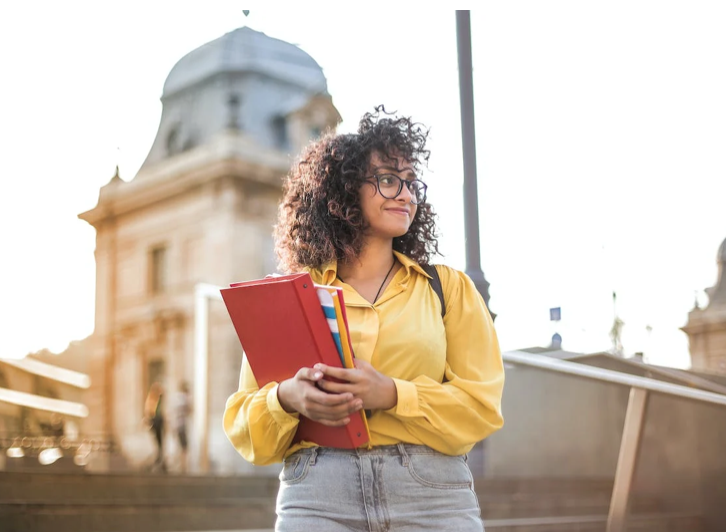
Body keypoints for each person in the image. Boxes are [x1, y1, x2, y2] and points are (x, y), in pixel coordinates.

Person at [223, 107, 504, 531]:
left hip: (431, 494)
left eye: (412, 183)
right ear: (344, 190)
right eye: (389, 179)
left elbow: (481, 409)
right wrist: (287, 398)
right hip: (317, 493)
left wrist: (392, 394)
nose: (406, 194)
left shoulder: (448, 289)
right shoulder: (293, 297)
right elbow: (246, 427)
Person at [144, 382, 166, 472]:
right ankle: (158, 457)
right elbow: (150, 411)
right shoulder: (153, 399)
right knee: (158, 441)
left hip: (158, 421)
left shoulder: (156, 399)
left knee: (159, 441)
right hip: (156, 421)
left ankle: (159, 457)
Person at [173, 381, 191, 473]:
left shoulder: (176, 398)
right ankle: (183, 466)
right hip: (182, 425)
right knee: (184, 447)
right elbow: (189, 410)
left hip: (177, 425)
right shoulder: (183, 398)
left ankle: (181, 465)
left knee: (180, 446)